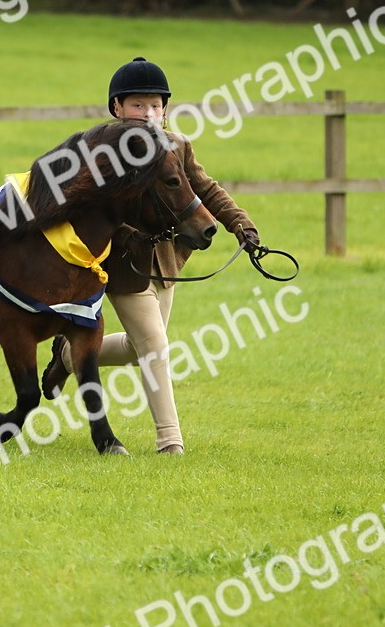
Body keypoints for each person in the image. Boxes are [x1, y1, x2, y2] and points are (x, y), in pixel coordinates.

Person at [41, 57, 260, 455]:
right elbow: (96, 213)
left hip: (169, 264)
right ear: (117, 108)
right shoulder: (103, 152)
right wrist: (128, 238)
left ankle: (70, 356)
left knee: (138, 346)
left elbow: (204, 191)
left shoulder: (176, 146)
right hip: (124, 267)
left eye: (155, 105)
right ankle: (170, 440)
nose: (148, 113)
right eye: (137, 105)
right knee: (156, 344)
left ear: (166, 109)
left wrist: (241, 225)